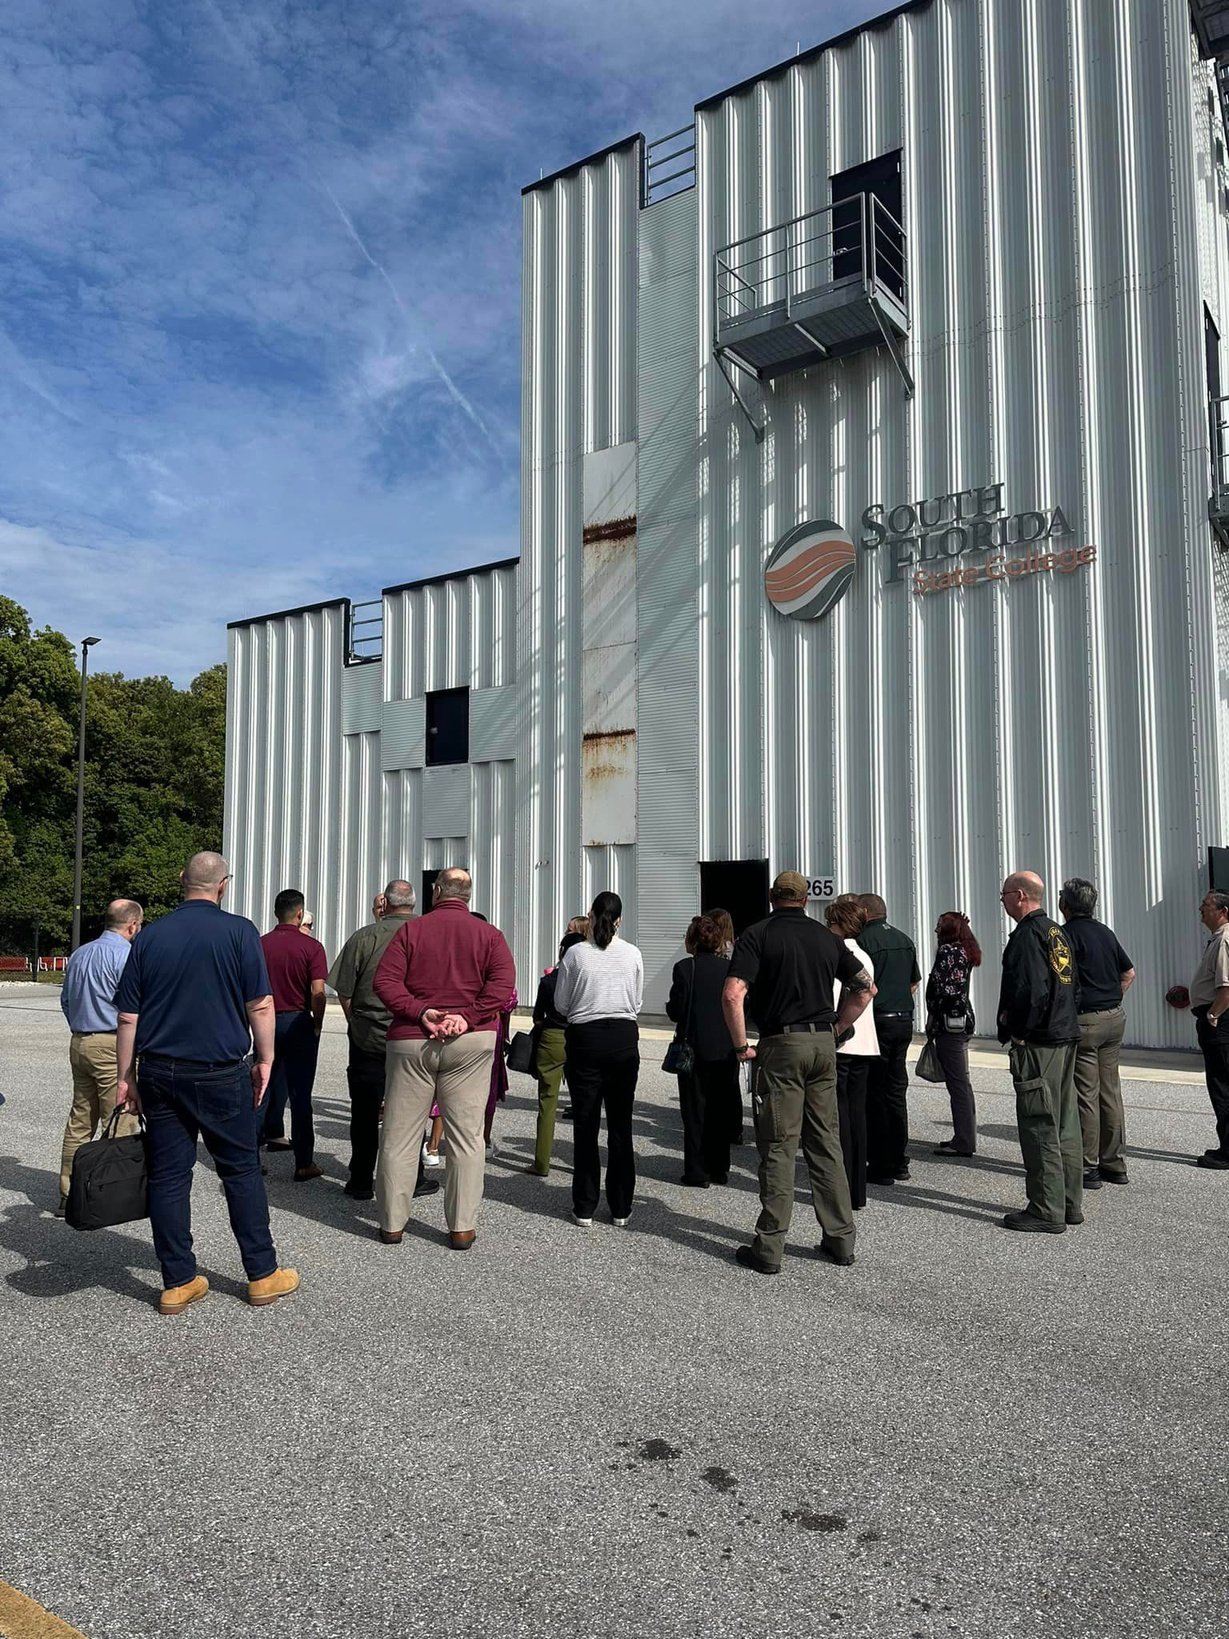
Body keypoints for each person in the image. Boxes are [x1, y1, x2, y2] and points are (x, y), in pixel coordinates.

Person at [114, 852, 298, 1313]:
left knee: (170, 1176)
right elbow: (259, 1004)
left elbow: (128, 1016)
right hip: (218, 1070)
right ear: (224, 885)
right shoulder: (239, 932)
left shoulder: (149, 936)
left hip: (158, 1069)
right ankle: (261, 1273)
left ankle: (177, 1280)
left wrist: (125, 1077)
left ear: (182, 880)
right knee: (239, 1169)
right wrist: (267, 1059)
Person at [723, 871, 875, 1274]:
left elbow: (733, 993)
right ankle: (840, 1239)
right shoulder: (828, 939)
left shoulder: (758, 935)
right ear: (807, 900)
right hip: (823, 1046)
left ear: (772, 896)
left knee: (779, 1144)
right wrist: (838, 1028)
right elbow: (864, 988)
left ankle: (769, 1247)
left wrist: (741, 1047)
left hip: (780, 1045)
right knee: (825, 1143)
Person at [372, 868, 516, 1248]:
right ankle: (462, 1227)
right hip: (470, 1042)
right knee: (467, 1138)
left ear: (436, 892)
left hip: (412, 1040)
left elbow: (384, 982)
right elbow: (502, 986)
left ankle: (391, 1224)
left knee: (400, 1135)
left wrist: (420, 1012)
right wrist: (466, 1016)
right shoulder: (489, 935)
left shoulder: (410, 932)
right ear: (469, 896)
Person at [327, 880, 439, 1204]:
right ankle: (412, 1177)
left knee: (364, 1111)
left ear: (385, 904)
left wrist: (356, 1022)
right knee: (412, 1111)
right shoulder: (428, 934)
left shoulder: (365, 937)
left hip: (369, 1036)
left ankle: (361, 1178)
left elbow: (344, 990)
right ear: (413, 904)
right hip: (415, 1035)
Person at [996, 871, 1082, 1233]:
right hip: (1064, 1035)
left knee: (1038, 1124)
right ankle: (1068, 1203)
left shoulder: (1029, 936)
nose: (1001, 901)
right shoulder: (1056, 931)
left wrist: (1018, 1033)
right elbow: (1073, 985)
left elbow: (1032, 993)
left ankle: (1046, 1209)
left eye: (1003, 895)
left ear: (1019, 895)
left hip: (1039, 1042)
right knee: (1065, 1121)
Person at [553, 891, 643, 1227]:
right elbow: (636, 1001)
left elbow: (562, 1004)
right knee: (621, 1124)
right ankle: (620, 1206)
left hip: (585, 1038)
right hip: (622, 1037)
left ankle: (585, 1205)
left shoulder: (576, 954)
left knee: (586, 1123)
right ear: (620, 919)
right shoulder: (632, 953)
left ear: (591, 916)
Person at [57, 898, 144, 1212]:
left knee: (80, 1119)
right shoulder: (127, 956)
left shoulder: (80, 953)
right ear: (132, 925)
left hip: (80, 1041)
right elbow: (133, 1007)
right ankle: (108, 1195)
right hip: (111, 1043)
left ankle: (69, 1190)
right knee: (119, 1119)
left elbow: (66, 1000)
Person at [1059, 878, 1135, 1188]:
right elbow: (1129, 972)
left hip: (1086, 1020)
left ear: (1065, 905)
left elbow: (1061, 981)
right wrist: (1112, 996)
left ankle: (1087, 1166)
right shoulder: (1105, 932)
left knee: (1085, 1095)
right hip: (1114, 1017)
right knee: (1110, 1091)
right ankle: (1114, 1163)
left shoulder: (1065, 936)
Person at [666, 914, 739, 1187]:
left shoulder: (686, 968)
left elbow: (676, 1010)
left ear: (692, 940)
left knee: (694, 1111)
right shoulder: (730, 969)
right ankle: (719, 1167)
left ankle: (697, 1170)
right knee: (720, 1108)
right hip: (724, 1046)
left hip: (693, 1047)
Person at [260, 889, 327, 1181]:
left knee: (261, 1087)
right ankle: (304, 1161)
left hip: (266, 1019)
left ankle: (251, 1154)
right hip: (298, 1021)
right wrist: (318, 1022)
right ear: (299, 913)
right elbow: (318, 992)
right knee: (301, 1095)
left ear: (277, 912)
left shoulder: (260, 944)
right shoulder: (311, 947)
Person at [858, 893, 921, 1185]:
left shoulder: (864, 942)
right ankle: (900, 1159)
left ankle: (882, 1162)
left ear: (865, 912)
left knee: (876, 1092)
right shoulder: (905, 939)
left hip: (878, 1020)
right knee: (896, 1091)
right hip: (904, 1021)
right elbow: (913, 982)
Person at [824, 894, 878, 1210]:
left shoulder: (838, 955)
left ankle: (841, 1186)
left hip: (843, 1041)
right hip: (866, 1043)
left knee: (838, 1117)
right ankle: (858, 1189)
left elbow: (835, 997)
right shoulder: (865, 955)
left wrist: (836, 1027)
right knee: (857, 1116)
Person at [528, 931, 584, 1176]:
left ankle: (541, 1162)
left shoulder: (549, 981)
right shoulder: (586, 979)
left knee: (547, 1101)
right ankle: (582, 1164)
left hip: (552, 1037)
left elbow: (537, 1017)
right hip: (581, 1037)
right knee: (583, 1103)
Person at [925, 911, 981, 1157]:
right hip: (962, 1022)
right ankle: (964, 1136)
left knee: (957, 1084)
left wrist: (933, 1011)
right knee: (962, 1083)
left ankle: (964, 1141)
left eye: (939, 926)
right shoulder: (965, 951)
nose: (936, 930)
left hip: (949, 1025)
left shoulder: (948, 952)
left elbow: (946, 990)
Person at [1189, 888, 1229, 1169]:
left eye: (1206, 905)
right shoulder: (1218, 939)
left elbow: (1226, 987)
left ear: (1222, 911)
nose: (1201, 909)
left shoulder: (1225, 939)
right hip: (1219, 1019)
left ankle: (1227, 1151)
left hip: (1220, 1022)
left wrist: (1213, 1015)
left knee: (1222, 1086)